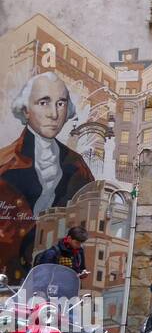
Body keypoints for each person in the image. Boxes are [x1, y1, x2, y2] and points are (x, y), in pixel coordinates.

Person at [0, 73, 94, 281]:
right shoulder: (4, 164)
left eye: (61, 103)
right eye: (44, 102)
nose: (54, 113)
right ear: (26, 109)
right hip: (9, 285)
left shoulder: (78, 167)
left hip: (55, 282)